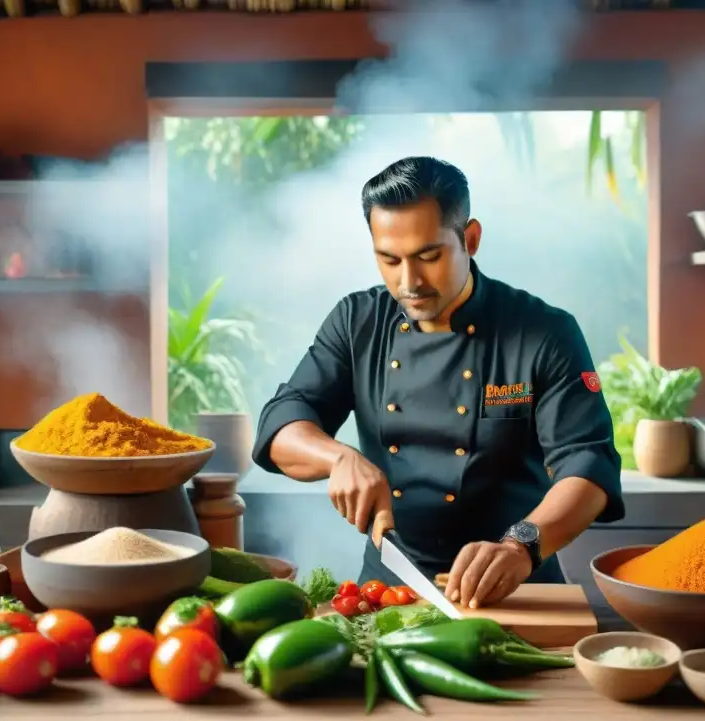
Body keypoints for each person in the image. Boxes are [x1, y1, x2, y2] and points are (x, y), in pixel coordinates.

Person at [251, 156, 624, 608]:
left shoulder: (544, 332)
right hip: (389, 593)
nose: (409, 282)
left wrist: (521, 545)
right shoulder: (356, 322)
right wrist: (337, 458)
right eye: (389, 260)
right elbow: (282, 423)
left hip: (519, 589)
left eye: (429, 256)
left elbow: (589, 466)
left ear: (470, 239)